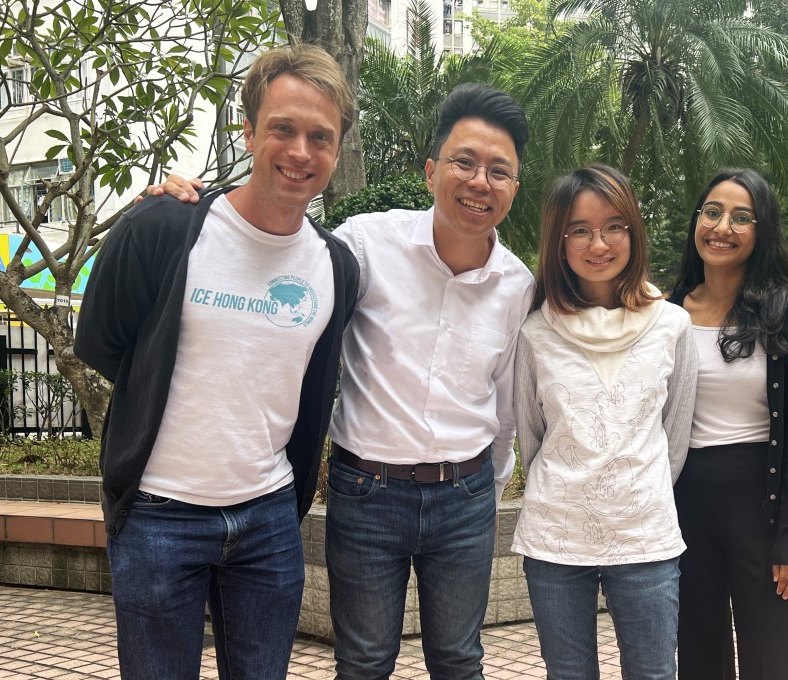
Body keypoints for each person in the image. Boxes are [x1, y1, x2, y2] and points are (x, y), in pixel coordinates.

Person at [151, 83, 534, 680]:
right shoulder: (362, 244)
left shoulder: (518, 284)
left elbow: (508, 398)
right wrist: (190, 200)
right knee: (362, 662)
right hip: (368, 494)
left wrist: (493, 485)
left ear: (514, 186)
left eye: (498, 170)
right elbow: (277, 243)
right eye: (464, 161)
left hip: (466, 497)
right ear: (432, 169)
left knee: (460, 660)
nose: (479, 181)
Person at [74, 44, 359, 680]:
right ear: (249, 130)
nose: (301, 152)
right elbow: (102, 340)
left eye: (321, 136)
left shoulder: (335, 266)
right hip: (157, 515)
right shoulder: (167, 226)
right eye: (283, 128)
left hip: (267, 520)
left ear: (337, 150)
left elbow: (314, 386)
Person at [513, 164, 697, 680]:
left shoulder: (672, 325)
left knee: (655, 674)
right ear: (560, 242)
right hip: (555, 536)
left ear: (633, 233)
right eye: (580, 230)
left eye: (614, 226)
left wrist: (638, 488)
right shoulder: (536, 333)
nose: (599, 243)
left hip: (645, 535)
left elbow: (675, 435)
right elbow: (531, 437)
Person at [667, 168, 788, 680]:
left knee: (772, 657)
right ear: (697, 220)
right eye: (712, 212)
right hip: (687, 502)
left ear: (762, 231)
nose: (722, 227)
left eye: (741, 217)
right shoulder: (667, 314)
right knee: (699, 651)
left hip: (762, 503)